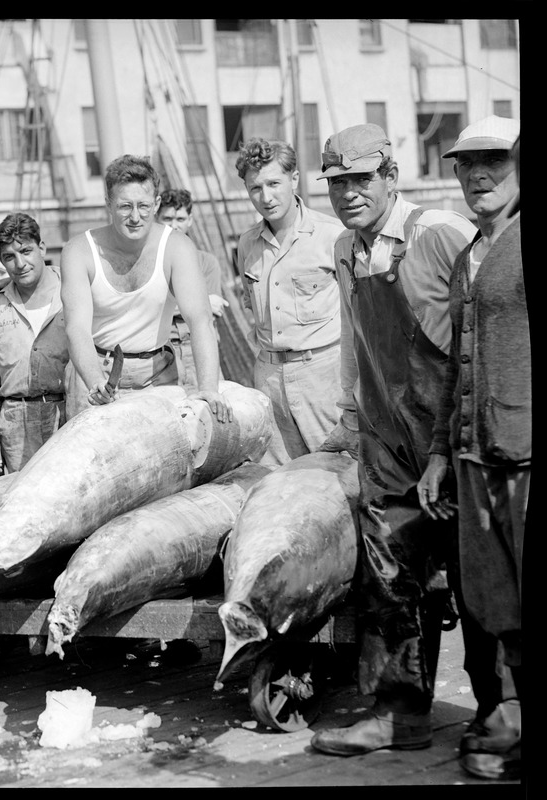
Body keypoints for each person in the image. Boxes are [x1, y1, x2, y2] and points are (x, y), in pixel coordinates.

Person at [311, 124, 504, 760]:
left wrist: (453, 445)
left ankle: (499, 712)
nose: (349, 194)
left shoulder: (441, 234)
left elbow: (479, 342)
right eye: (338, 183)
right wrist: (351, 415)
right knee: (389, 575)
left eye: (362, 180)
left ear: (391, 177)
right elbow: (354, 339)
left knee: (480, 579)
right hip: (387, 438)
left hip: (454, 435)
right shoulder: (344, 247)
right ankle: (399, 712)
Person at [417, 117, 523, 781]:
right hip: (475, 458)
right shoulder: (465, 257)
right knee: (497, 606)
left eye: (494, 163)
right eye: (466, 165)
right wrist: (437, 453)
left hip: (526, 453)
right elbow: (455, 367)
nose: (478, 176)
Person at [60, 154, 231, 423]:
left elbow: (200, 321)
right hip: (94, 373)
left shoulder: (177, 247)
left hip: (157, 373)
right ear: (108, 204)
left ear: (157, 204)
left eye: (144, 206)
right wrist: (96, 382)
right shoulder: (79, 251)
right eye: (125, 206)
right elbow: (76, 328)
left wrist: (208, 389)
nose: (135, 217)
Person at [233, 138, 345, 467]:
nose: (265, 197)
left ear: (294, 179)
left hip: (322, 377)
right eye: (255, 188)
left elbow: (360, 316)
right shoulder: (246, 244)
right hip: (268, 378)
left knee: (339, 474)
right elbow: (250, 306)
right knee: (276, 483)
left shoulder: (333, 235)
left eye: (273, 184)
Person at [0, 212, 69, 474]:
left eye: (26, 251)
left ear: (42, 248)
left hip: (70, 414)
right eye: (9, 257)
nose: (20, 263)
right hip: (16, 421)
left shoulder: (73, 291)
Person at [157, 188, 228, 389]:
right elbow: (146, 309)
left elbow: (214, 309)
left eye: (180, 219)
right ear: (157, 219)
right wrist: (201, 301)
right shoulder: (149, 263)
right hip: (163, 351)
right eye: (167, 218)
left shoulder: (206, 262)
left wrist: (169, 305)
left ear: (190, 220)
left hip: (198, 348)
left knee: (210, 409)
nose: (174, 225)